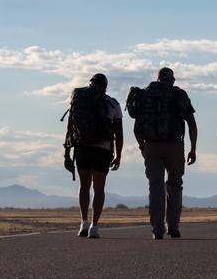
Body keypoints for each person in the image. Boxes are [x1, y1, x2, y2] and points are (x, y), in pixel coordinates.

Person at [133, 67, 197, 239]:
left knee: (155, 188)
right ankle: (173, 227)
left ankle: (157, 229)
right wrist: (193, 149)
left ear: (158, 79)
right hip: (174, 145)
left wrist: (142, 147)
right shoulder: (178, 94)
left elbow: (136, 127)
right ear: (172, 80)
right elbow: (191, 123)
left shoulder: (145, 94)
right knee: (175, 185)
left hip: (151, 146)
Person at [62, 73, 123, 239]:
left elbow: (69, 130)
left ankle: (83, 222)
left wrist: (67, 154)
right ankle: (94, 227)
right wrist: (118, 155)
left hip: (82, 148)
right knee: (99, 188)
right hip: (103, 149)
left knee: (84, 186)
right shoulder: (112, 103)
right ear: (105, 86)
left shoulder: (78, 100)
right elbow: (119, 132)